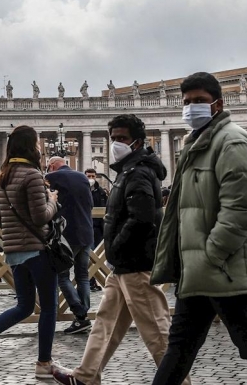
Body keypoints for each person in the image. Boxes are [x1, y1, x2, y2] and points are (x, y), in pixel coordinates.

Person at [150, 72, 247, 384]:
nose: (191, 107)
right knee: (180, 347)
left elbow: (243, 205)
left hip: (226, 268)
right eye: (187, 102)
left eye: (199, 101)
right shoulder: (197, 142)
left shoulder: (232, 140)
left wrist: (213, 253)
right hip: (200, 268)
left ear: (218, 104)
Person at [52, 114, 190, 385]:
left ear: (138, 142)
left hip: (135, 260)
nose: (116, 143)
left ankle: (179, 382)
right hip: (123, 262)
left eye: (122, 138)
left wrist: (115, 245)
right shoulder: (129, 169)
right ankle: (86, 376)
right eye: (113, 138)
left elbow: (142, 217)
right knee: (106, 322)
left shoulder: (137, 172)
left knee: (156, 329)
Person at [0, 125, 60, 380]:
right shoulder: (32, 175)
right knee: (49, 307)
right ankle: (44, 362)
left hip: (15, 252)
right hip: (37, 250)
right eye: (38, 143)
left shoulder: (2, 178)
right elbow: (41, 217)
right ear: (32, 146)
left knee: (25, 306)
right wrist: (53, 201)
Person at [46, 156, 94, 334]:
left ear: (52, 166)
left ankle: (80, 315)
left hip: (67, 235)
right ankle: (82, 317)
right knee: (83, 276)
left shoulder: (52, 178)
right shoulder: (83, 177)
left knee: (62, 275)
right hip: (87, 232)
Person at [84, 168, 108, 292]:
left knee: (98, 256)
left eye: (93, 176)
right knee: (91, 255)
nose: (91, 178)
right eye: (88, 176)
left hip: (99, 227)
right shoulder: (82, 190)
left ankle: (96, 281)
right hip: (88, 227)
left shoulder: (101, 192)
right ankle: (90, 281)